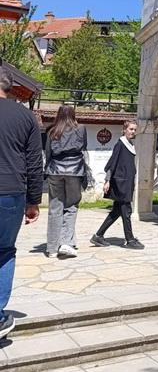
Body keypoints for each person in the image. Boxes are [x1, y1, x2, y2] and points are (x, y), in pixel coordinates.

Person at [0, 67, 43, 339]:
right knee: (4, 252)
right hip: (10, 193)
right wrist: (33, 201)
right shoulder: (25, 116)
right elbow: (34, 162)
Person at [91, 121, 144, 250]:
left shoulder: (130, 145)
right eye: (131, 129)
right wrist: (107, 180)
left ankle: (98, 235)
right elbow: (112, 163)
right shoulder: (120, 144)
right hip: (121, 183)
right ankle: (130, 239)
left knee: (116, 211)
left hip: (126, 182)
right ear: (124, 129)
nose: (133, 132)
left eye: (134, 129)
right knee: (126, 210)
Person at [45, 105, 88, 258]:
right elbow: (83, 148)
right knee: (71, 206)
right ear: (73, 114)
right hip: (75, 170)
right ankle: (65, 243)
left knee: (55, 208)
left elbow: (48, 152)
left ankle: (52, 248)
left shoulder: (52, 130)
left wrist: (46, 170)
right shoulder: (81, 129)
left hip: (55, 170)